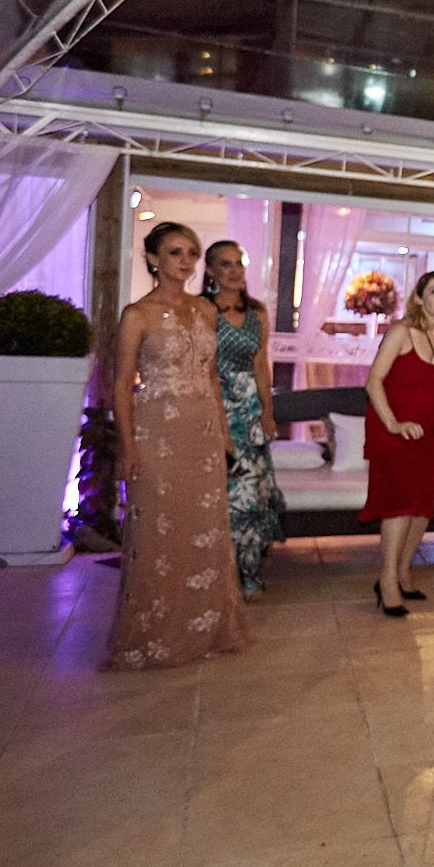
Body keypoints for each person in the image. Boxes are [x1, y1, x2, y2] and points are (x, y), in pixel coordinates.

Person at [108, 222, 250, 669]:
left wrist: (223, 433)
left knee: (204, 531)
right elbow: (119, 386)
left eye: (191, 253)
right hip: (157, 432)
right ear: (152, 259)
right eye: (174, 253)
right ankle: (153, 633)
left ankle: (207, 627)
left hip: (202, 433)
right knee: (156, 533)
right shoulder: (138, 315)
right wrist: (127, 447)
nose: (186, 261)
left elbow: (209, 376)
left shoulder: (204, 311)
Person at [363, 271, 434, 615]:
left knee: (422, 507)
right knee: (399, 504)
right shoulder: (401, 332)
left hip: (426, 431)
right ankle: (386, 581)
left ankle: (402, 570)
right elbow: (373, 382)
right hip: (391, 429)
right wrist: (394, 424)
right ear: (419, 298)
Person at [202, 239, 284, 600]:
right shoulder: (201, 310)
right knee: (221, 495)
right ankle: (217, 576)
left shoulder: (258, 312)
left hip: (249, 410)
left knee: (251, 496)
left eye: (239, 263)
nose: (234, 271)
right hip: (212, 406)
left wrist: (267, 411)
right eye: (225, 264)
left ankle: (246, 573)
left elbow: (260, 366)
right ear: (210, 271)